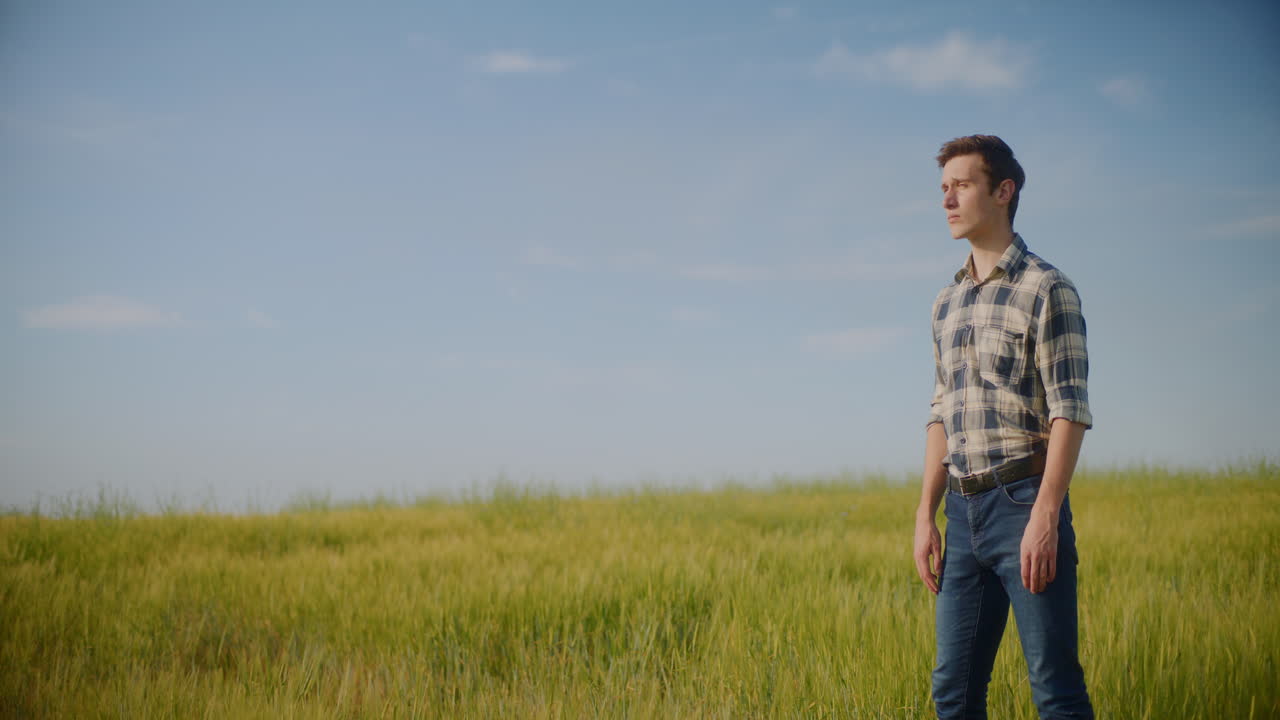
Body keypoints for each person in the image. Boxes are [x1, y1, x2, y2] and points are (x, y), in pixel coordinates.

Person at [912, 135, 1095, 719]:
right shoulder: (947, 301)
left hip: (1023, 503)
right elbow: (941, 411)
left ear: (1003, 191)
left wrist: (1045, 516)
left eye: (961, 185)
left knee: (1055, 691)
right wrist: (925, 515)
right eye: (943, 188)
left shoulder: (1047, 288)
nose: (947, 200)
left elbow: (1070, 409)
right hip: (962, 515)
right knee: (953, 692)